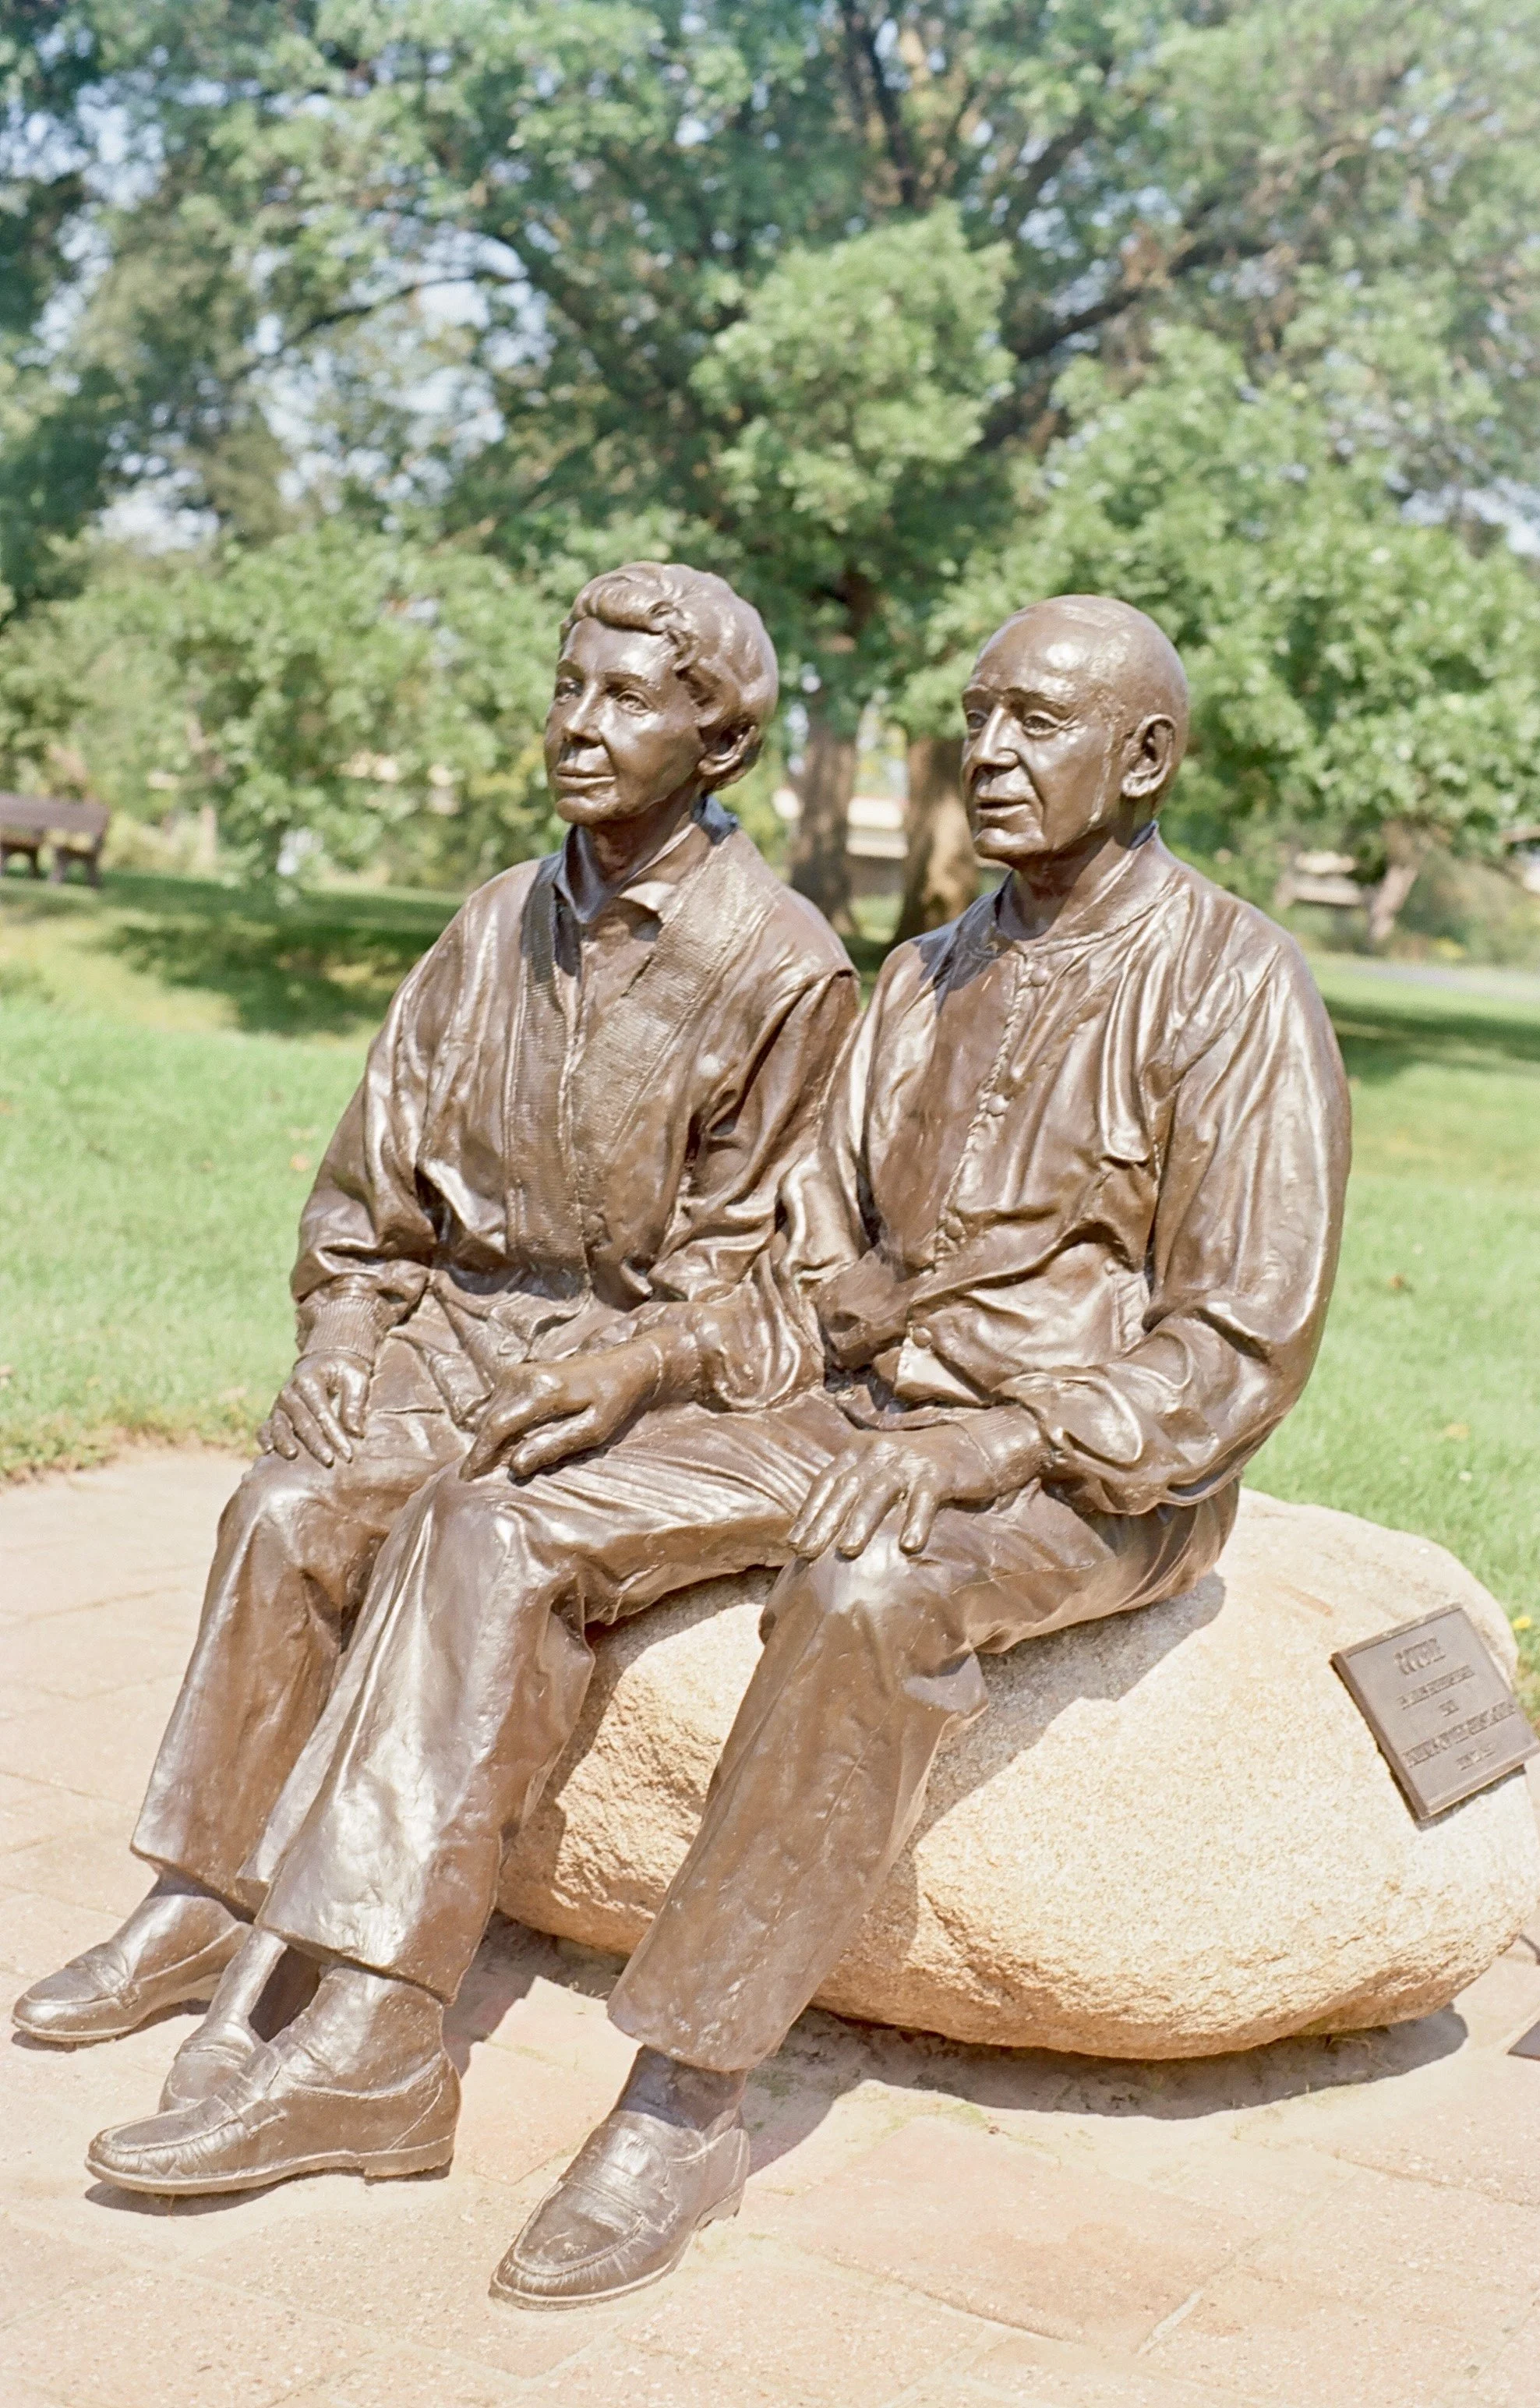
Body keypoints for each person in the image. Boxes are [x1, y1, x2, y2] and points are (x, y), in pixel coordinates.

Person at [82, 596, 1350, 2316]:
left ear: (1144, 758)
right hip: (865, 1409)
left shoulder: (1237, 984)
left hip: (1087, 1467)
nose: (988, 751)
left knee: (865, 1584)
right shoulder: (927, 973)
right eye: (976, 713)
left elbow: (1234, 1343)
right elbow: (807, 1284)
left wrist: (993, 1443)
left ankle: (684, 2094)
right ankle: (376, 2037)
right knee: (492, 1509)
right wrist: (643, 1360)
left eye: (1038, 723)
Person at [12, 561, 857, 2086]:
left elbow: (759, 1278)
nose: (578, 724)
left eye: (625, 696)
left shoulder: (779, 961)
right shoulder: (490, 926)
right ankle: (203, 1895)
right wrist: (341, 1351)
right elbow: (363, 1195)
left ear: (718, 743)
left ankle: (366, 1992)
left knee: (472, 1539)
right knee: (284, 1506)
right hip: (446, 1336)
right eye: (566, 685)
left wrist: (621, 1369)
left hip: (623, 1375)